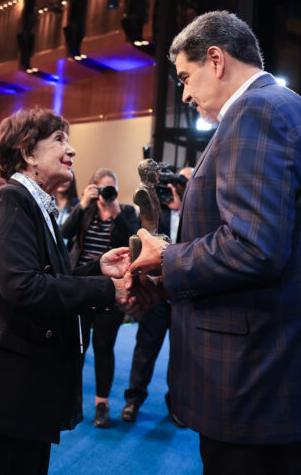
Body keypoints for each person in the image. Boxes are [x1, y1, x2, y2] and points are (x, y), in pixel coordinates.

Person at [129, 11, 301, 474]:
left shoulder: (256, 113)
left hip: (253, 376)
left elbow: (253, 247)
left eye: (186, 77)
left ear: (216, 59)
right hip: (271, 366)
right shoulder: (282, 106)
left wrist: (166, 258)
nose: (186, 94)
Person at [0, 107, 148, 475]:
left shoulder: (35, 207)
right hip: (9, 387)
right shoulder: (9, 202)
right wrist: (107, 289)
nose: (71, 151)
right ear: (27, 152)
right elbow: (24, 287)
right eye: (59, 140)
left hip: (26, 383)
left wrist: (94, 269)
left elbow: (51, 276)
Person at [60, 168, 140, 428]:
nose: (107, 194)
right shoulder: (86, 210)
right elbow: (64, 233)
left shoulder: (125, 212)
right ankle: (71, 399)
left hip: (110, 289)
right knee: (78, 347)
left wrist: (117, 213)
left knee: (104, 347)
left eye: (111, 188)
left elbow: (135, 244)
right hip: (81, 286)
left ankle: (101, 404)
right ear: (93, 188)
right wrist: (82, 204)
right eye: (103, 188)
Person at [122, 166, 192, 426]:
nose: (176, 186)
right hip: (157, 292)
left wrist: (183, 206)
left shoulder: (195, 211)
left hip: (184, 294)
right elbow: (143, 233)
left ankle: (176, 404)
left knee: (182, 354)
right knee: (145, 348)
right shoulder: (158, 210)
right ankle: (133, 399)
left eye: (183, 181)